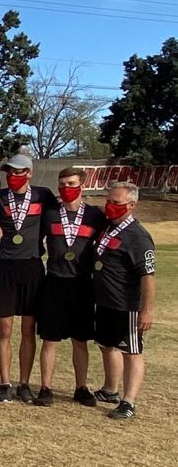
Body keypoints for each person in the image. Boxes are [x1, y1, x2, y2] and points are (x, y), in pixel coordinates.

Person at [36, 167, 108, 407]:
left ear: (82, 186)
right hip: (54, 281)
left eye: (72, 183)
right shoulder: (49, 214)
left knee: (80, 340)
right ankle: (45, 388)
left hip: (82, 283)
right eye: (63, 184)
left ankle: (81, 387)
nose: (67, 188)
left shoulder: (95, 216)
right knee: (50, 339)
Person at [0, 153, 56, 403]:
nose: (12, 177)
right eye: (9, 172)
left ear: (29, 173)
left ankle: (24, 383)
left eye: (18, 172)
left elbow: (62, 217)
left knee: (28, 330)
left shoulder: (43, 195)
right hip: (5, 268)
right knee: (4, 329)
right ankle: (5, 382)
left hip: (32, 268)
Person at [92, 182, 155, 420]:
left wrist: (146, 311)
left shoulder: (138, 236)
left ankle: (128, 401)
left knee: (131, 351)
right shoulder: (108, 227)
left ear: (131, 205)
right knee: (106, 346)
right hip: (105, 301)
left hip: (126, 305)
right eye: (109, 201)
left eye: (116, 203)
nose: (110, 206)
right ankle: (110, 389)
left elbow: (148, 277)